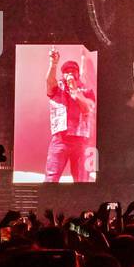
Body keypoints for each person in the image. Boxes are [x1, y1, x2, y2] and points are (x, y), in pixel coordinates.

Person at [44, 49, 95, 183]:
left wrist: (75, 91)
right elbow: (49, 82)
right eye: (66, 71)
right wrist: (53, 64)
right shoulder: (57, 88)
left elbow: (87, 109)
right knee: (51, 179)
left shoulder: (87, 91)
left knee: (82, 181)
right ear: (62, 75)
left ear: (78, 74)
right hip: (60, 140)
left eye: (73, 71)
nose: (70, 73)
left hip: (81, 141)